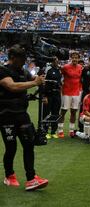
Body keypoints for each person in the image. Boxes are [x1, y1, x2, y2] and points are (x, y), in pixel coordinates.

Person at [0, 44, 48, 191]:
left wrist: (40, 79)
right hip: (5, 116)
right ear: (13, 58)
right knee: (11, 148)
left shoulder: (23, 70)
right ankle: (9, 175)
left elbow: (35, 78)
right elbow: (12, 86)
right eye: (21, 59)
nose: (24, 62)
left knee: (29, 145)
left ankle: (31, 178)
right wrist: (34, 82)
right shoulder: (2, 71)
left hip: (22, 114)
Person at [58, 51, 83, 138]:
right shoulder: (65, 67)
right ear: (71, 58)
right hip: (66, 92)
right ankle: (60, 130)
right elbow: (59, 76)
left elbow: (80, 79)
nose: (75, 59)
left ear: (78, 58)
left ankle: (71, 130)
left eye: (76, 57)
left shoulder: (80, 67)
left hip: (76, 93)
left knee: (74, 111)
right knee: (63, 111)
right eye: (73, 57)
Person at [43, 57, 62, 139]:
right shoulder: (48, 69)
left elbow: (60, 82)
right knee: (46, 113)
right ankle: (45, 131)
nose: (57, 61)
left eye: (58, 60)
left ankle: (53, 131)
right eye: (55, 60)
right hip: (49, 94)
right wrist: (44, 96)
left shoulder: (59, 70)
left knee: (56, 113)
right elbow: (43, 82)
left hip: (57, 94)